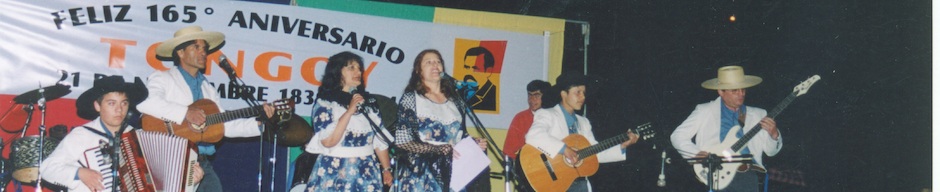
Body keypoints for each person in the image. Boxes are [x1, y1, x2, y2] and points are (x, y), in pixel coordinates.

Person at [136, 25, 275, 192]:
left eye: (204, 48)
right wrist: (186, 113)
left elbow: (224, 125)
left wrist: (259, 124)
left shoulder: (209, 90)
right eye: (196, 47)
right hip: (171, 161)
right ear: (180, 53)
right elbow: (146, 103)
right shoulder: (162, 78)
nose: (203, 52)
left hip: (202, 162)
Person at [40, 76, 204, 191]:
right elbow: (47, 169)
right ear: (98, 106)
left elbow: (164, 186)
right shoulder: (81, 135)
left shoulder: (139, 138)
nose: (119, 110)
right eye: (111, 103)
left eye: (124, 103)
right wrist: (79, 173)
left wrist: (191, 183)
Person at [670, 65, 783, 191]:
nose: (741, 94)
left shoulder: (759, 114)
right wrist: (697, 154)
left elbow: (771, 151)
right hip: (716, 173)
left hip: (747, 176)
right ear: (721, 91)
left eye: (743, 90)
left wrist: (774, 135)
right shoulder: (704, 110)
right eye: (735, 90)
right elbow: (677, 136)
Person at [524, 72, 638, 192]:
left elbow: (594, 153)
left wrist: (622, 146)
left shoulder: (584, 122)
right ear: (563, 94)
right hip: (554, 184)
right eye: (577, 92)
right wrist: (564, 149)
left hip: (579, 185)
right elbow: (533, 135)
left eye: (583, 93)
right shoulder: (547, 114)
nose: (582, 97)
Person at [392, 49, 488, 191]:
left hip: (454, 173)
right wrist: (437, 149)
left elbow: (459, 135)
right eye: (429, 62)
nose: (435, 65)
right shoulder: (412, 98)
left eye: (438, 62)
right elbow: (402, 141)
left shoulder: (456, 100)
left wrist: (473, 143)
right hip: (422, 174)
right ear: (418, 71)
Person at [300, 51, 393, 191]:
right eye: (351, 67)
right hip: (335, 170)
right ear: (337, 72)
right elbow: (328, 142)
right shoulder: (326, 104)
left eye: (359, 68)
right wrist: (349, 112)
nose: (358, 72)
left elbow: (379, 141)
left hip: (366, 171)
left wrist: (386, 168)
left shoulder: (368, 103)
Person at [503, 80, 551, 159]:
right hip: (527, 166)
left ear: (545, 96)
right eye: (529, 95)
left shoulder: (553, 117)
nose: (531, 99)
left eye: (537, 95)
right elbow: (507, 151)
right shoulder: (520, 118)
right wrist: (521, 165)